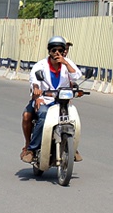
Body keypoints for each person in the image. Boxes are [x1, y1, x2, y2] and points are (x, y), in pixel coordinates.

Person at [20, 36, 83, 165]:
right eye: (54, 50)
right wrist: (37, 94)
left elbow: (76, 76)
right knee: (42, 115)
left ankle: (72, 147)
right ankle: (32, 149)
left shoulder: (67, 63)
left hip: (62, 101)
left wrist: (65, 63)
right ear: (49, 51)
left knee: (74, 120)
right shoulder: (41, 65)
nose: (57, 53)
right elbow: (34, 81)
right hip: (45, 100)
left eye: (61, 50)